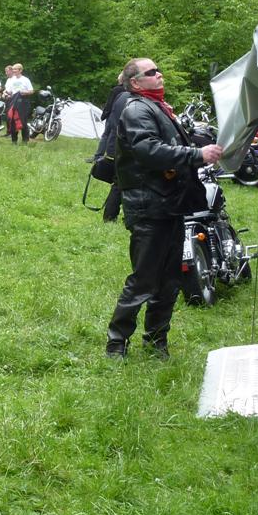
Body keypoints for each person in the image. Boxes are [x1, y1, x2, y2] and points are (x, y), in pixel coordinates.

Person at [105, 58, 222, 360]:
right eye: (152, 72)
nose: (160, 75)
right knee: (145, 279)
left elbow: (169, 144)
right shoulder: (136, 109)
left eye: (158, 70)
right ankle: (116, 344)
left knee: (170, 280)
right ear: (135, 82)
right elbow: (148, 150)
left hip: (169, 205)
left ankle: (156, 342)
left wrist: (203, 147)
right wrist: (196, 154)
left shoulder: (158, 107)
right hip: (148, 207)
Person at [96, 71, 128, 222]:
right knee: (121, 182)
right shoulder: (124, 96)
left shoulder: (123, 96)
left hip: (118, 145)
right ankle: (111, 216)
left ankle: (112, 215)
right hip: (124, 147)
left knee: (121, 182)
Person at [4, 62, 34, 144]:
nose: (13, 71)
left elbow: (31, 91)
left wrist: (24, 92)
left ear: (20, 70)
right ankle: (14, 141)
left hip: (23, 102)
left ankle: (25, 140)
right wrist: (5, 93)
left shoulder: (25, 79)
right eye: (13, 69)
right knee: (12, 120)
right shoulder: (12, 80)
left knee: (23, 121)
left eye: (15, 69)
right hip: (14, 101)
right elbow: (10, 91)